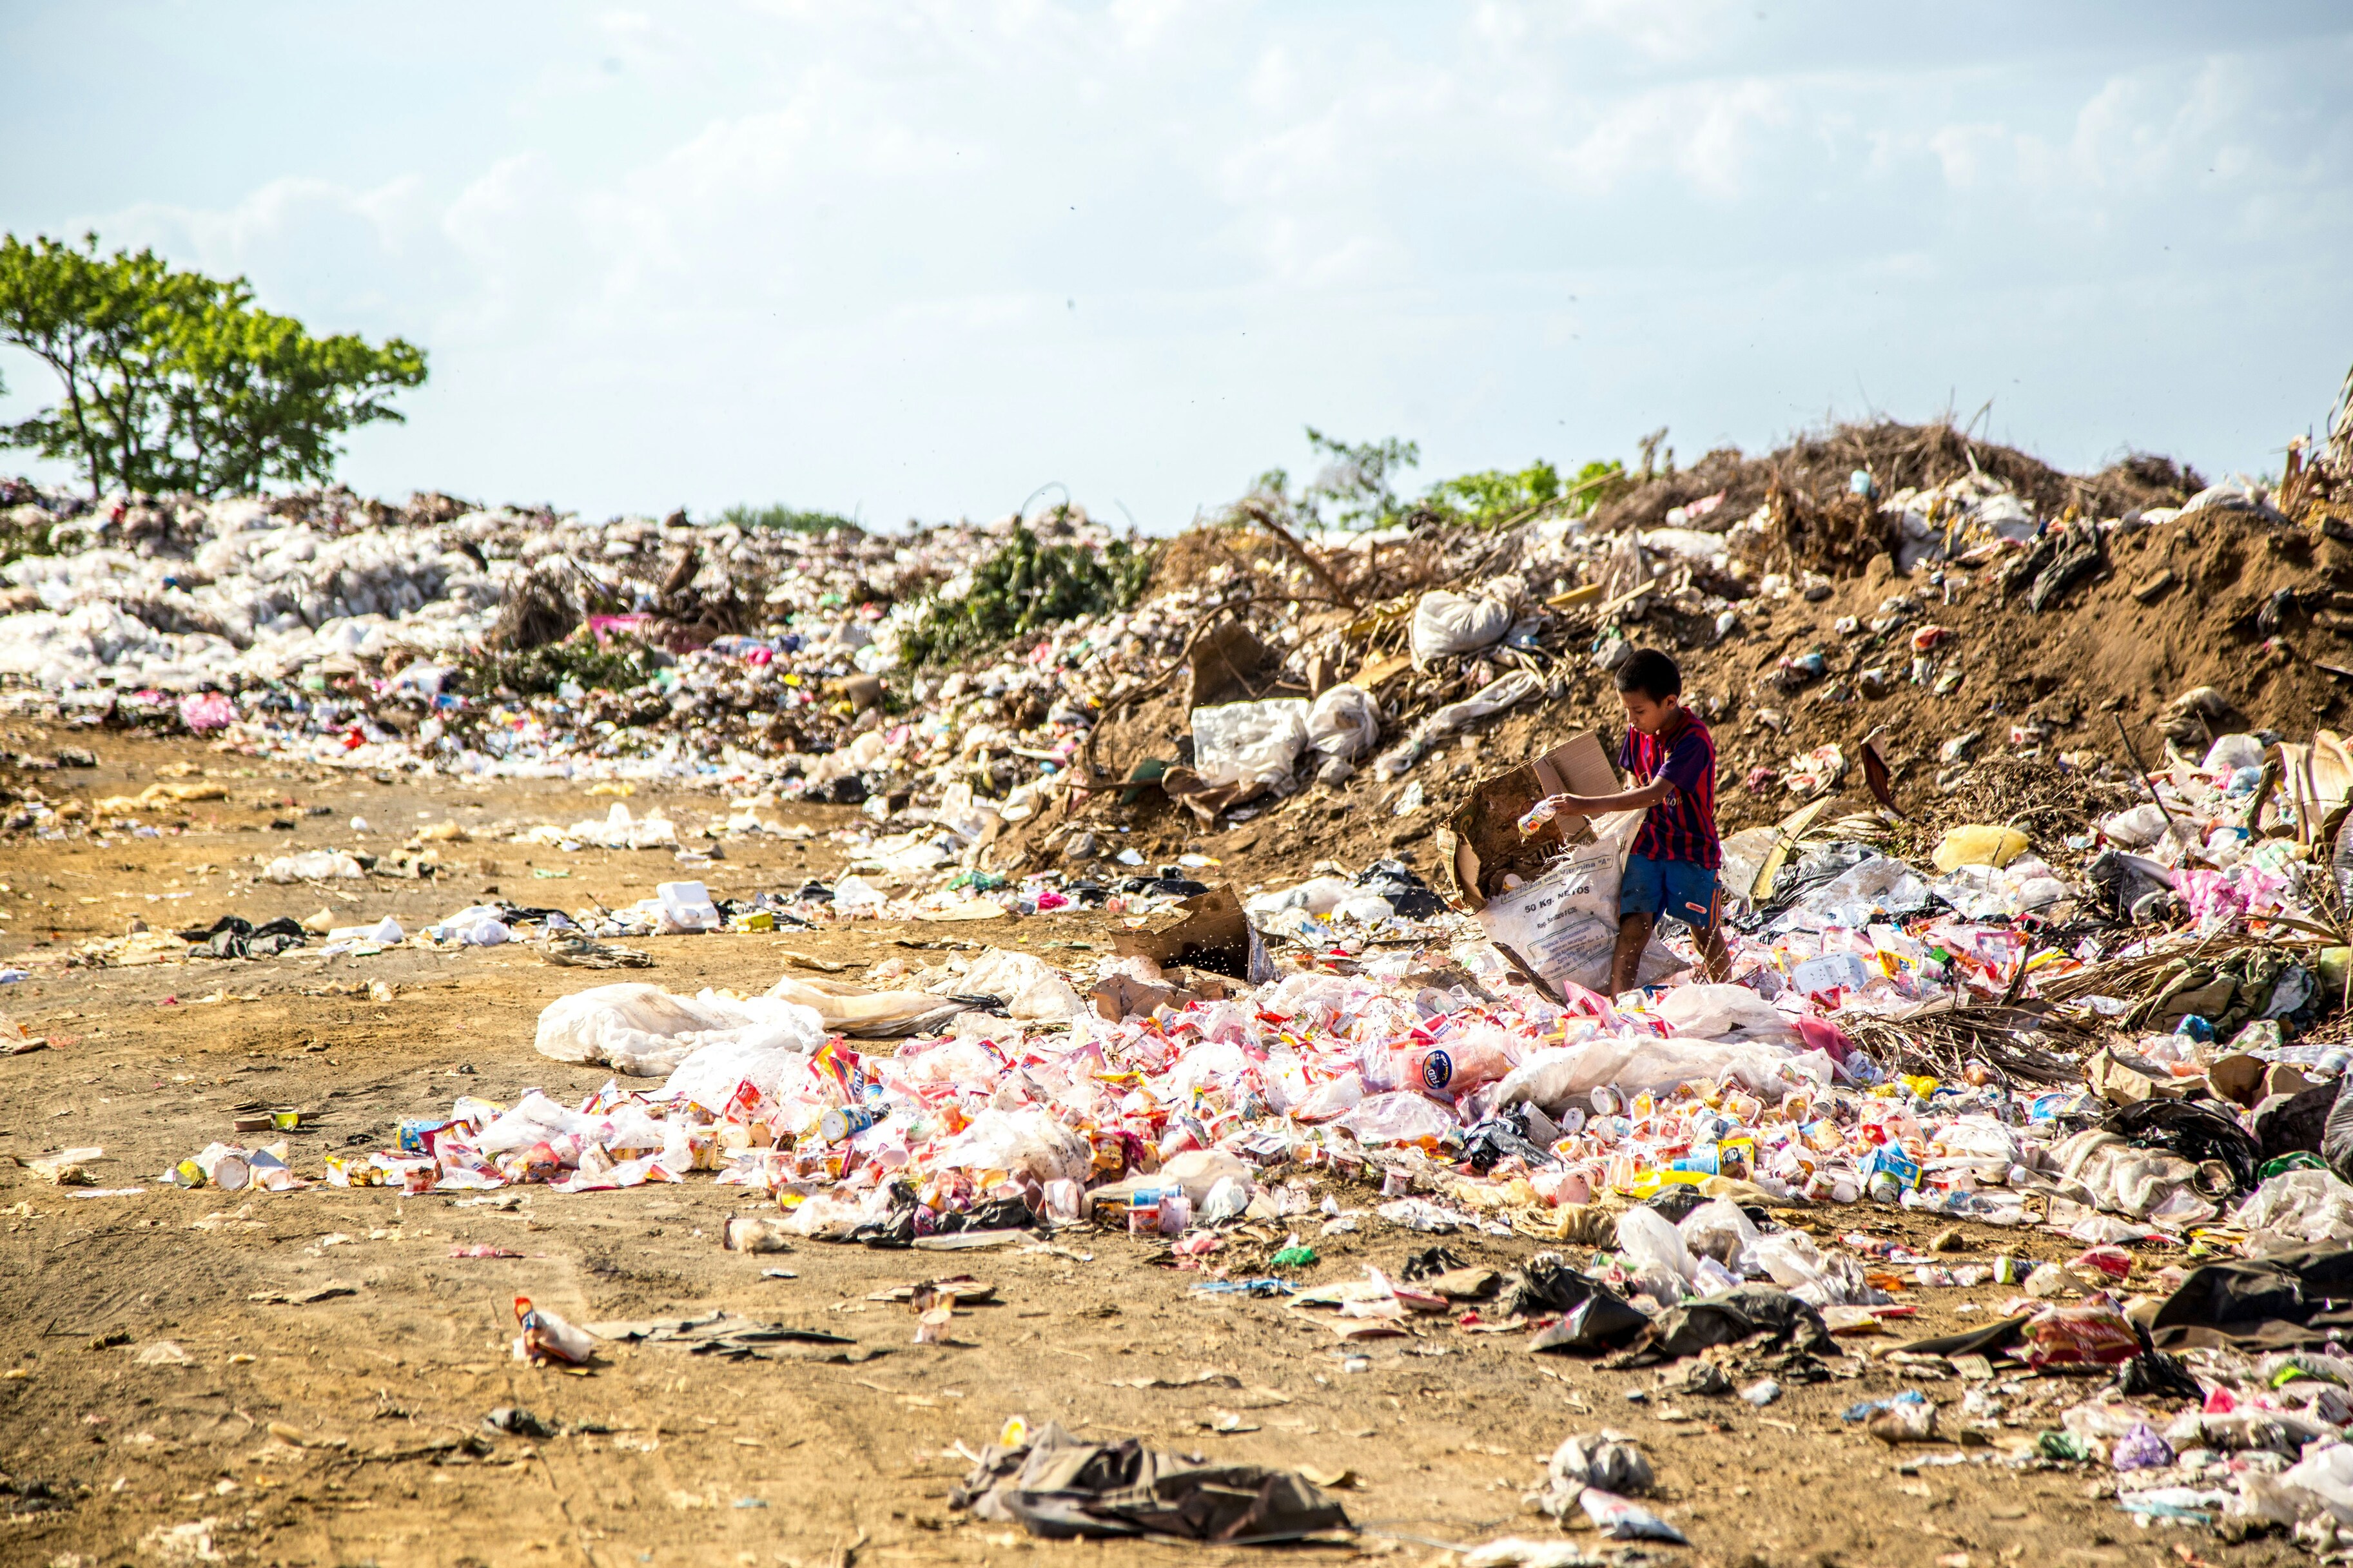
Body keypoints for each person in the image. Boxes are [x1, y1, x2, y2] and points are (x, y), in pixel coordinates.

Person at [1530, 647, 1728, 992]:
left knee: (1704, 932)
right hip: (1648, 844)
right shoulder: (1637, 732)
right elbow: (1634, 781)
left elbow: (1653, 793)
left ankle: (1731, 997)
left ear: (1670, 702)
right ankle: (1620, 1006)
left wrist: (1584, 805)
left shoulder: (1693, 740)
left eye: (1638, 710)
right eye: (1626, 710)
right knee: (1633, 927)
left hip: (1690, 848)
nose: (1631, 720)